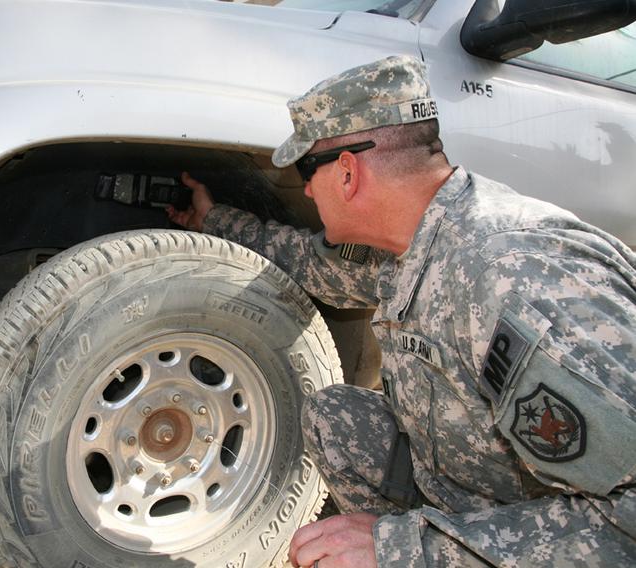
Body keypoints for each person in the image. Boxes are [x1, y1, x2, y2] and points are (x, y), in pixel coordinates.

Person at [168, 55, 636, 567]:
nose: (304, 189)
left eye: (307, 169)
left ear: (347, 172)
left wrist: (403, 549)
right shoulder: (417, 239)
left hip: (563, 526)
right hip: (484, 491)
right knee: (337, 418)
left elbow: (626, 518)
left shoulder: (509, 275)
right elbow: (307, 261)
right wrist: (214, 218)